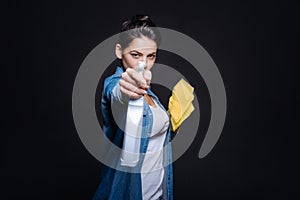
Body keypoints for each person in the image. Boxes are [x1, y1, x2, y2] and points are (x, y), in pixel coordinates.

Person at [92, 15, 173, 200]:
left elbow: (152, 140)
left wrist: (171, 119)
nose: (143, 64)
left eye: (150, 56)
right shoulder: (114, 84)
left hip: (159, 195)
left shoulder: (150, 94)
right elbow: (118, 96)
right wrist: (126, 90)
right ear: (119, 51)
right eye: (135, 55)